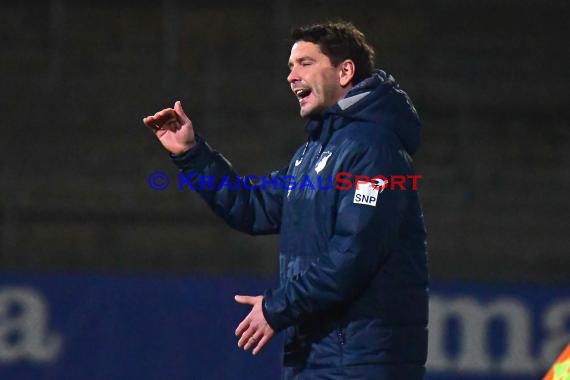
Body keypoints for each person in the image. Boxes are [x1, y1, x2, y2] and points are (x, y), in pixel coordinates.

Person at [143, 21, 428, 380]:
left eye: (304, 63)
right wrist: (191, 154)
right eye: (290, 67)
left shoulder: (375, 149)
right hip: (316, 355)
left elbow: (353, 256)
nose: (291, 76)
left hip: (359, 362)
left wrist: (277, 308)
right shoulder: (314, 152)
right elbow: (252, 206)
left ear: (345, 72)